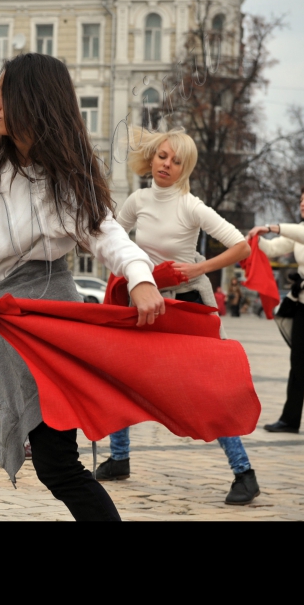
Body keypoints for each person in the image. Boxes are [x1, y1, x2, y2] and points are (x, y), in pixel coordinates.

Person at [0, 54, 164, 521]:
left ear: (32, 100)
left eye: (3, 93)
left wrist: (140, 277)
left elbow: (105, 231)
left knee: (55, 463)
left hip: (47, 323)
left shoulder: (67, 171)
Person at [93, 128, 260, 506]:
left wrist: (198, 269)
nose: (166, 164)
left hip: (185, 305)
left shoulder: (191, 206)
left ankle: (244, 473)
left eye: (176, 160)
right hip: (142, 300)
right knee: (119, 375)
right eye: (162, 156)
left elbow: (241, 247)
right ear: (152, 157)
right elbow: (111, 238)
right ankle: (119, 459)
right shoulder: (138, 199)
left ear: (186, 168)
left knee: (205, 388)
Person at [248, 184, 304, 434]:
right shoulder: (302, 229)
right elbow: (273, 248)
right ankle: (290, 419)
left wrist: (273, 227)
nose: (302, 203)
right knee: (298, 363)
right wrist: (251, 238)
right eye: (301, 199)